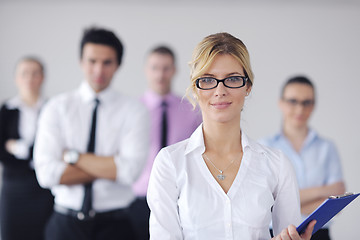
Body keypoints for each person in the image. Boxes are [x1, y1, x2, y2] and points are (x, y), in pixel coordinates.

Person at [147, 32, 316, 240]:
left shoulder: (277, 165)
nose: (220, 90)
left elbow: (289, 233)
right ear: (194, 88)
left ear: (248, 86)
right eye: (208, 80)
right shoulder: (169, 163)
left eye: (233, 79)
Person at [33, 27, 149, 240]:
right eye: (92, 61)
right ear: (81, 61)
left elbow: (129, 171)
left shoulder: (134, 110)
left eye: (107, 62)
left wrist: (72, 157)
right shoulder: (56, 107)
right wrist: (111, 165)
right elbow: (46, 174)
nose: (98, 70)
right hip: (64, 224)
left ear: (118, 65)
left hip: (116, 226)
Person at [259, 76, 345, 240]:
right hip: (278, 235)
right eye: (293, 101)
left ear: (313, 105)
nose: (300, 109)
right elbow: (265, 203)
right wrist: (323, 191)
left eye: (306, 102)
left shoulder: (327, 148)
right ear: (281, 103)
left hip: (320, 235)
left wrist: (283, 202)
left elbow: (337, 206)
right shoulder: (264, 148)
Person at [131, 46, 202, 239]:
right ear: (146, 70)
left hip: (178, 198)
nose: (160, 74)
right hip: (138, 199)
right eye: (155, 68)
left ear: (175, 70)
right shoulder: (133, 111)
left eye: (166, 68)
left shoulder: (192, 110)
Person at [0, 56, 54, 240]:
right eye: (24, 74)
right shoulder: (6, 110)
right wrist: (34, 151)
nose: (30, 78)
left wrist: (18, 147)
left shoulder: (52, 108)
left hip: (44, 187)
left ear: (43, 77)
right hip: (14, 187)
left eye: (35, 73)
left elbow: (55, 148)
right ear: (17, 78)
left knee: (43, 233)